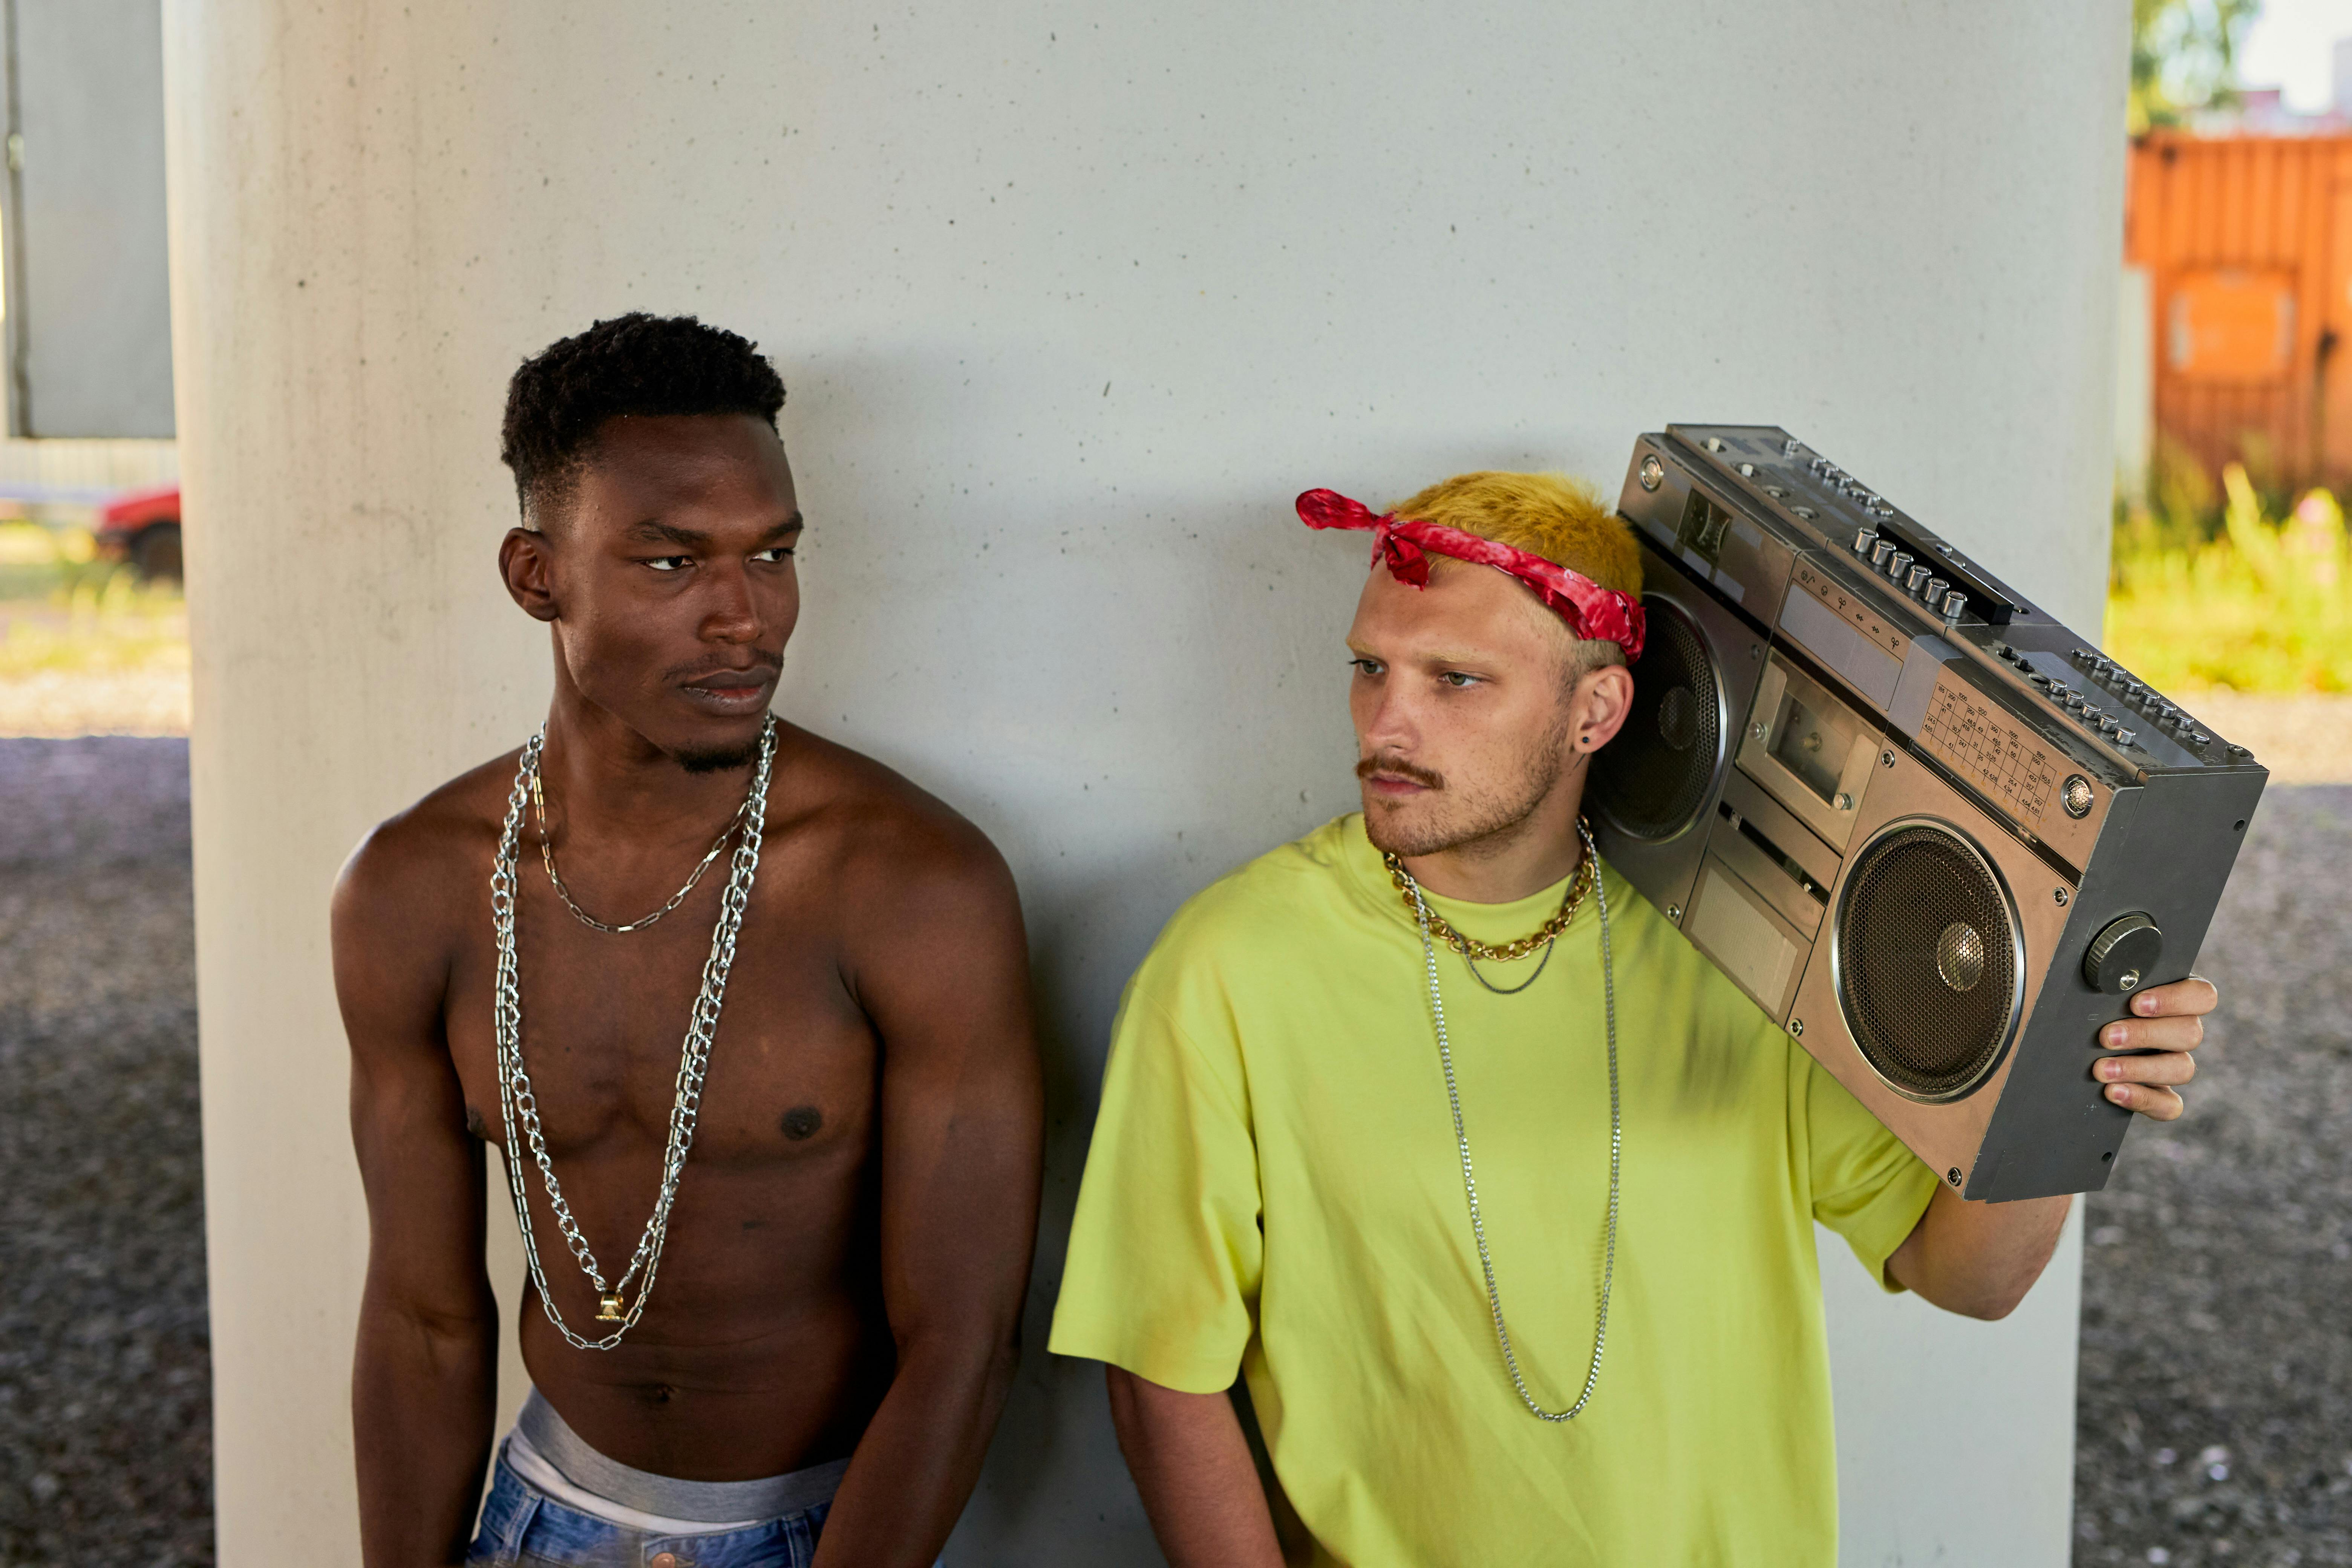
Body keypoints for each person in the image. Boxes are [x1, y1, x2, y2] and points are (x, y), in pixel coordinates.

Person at [1047, 470, 2213, 1566]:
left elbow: (1969, 1278)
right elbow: (1162, 1375)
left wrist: (2068, 1067)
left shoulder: (1744, 950)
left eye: (1456, 681)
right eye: (1370, 670)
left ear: (1596, 709)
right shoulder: (1233, 969)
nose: (1387, 726)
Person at [333, 314, 1043, 1568]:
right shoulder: (416, 888)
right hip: (540, 1513)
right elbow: (424, 1317)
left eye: (773, 553)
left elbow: (963, 1343)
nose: (746, 619)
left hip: (831, 1533)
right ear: (537, 575)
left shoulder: (909, 883)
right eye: (671, 564)